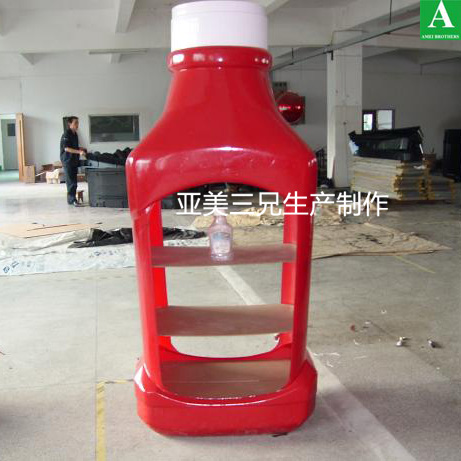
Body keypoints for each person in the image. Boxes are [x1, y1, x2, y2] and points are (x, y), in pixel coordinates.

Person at [60, 116, 86, 206]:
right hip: (67, 160)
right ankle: (72, 200)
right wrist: (79, 152)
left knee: (74, 181)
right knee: (71, 182)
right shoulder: (66, 134)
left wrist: (81, 149)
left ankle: (72, 199)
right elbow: (67, 148)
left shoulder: (75, 134)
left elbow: (74, 147)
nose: (77, 125)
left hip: (74, 160)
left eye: (78, 123)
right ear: (69, 124)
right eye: (75, 123)